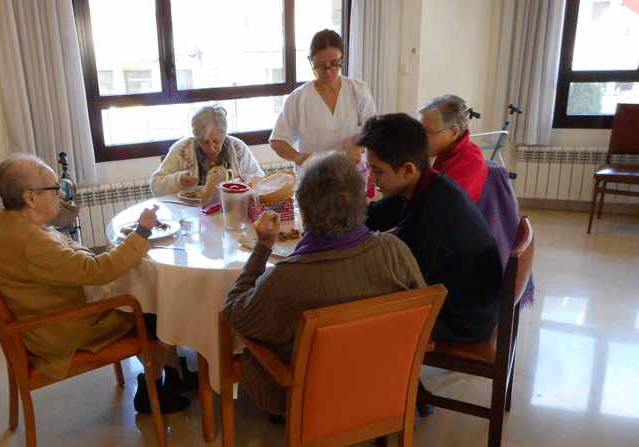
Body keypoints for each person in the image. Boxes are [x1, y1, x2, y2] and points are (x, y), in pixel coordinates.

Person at [0, 153, 190, 414]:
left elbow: (68, 247)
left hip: (46, 313)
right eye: (54, 188)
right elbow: (98, 271)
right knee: (154, 310)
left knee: (140, 291)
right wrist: (142, 232)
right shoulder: (32, 243)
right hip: (61, 329)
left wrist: (87, 258)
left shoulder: (4, 224)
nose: (61, 194)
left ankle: (177, 374)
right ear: (30, 198)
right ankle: (151, 392)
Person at [223, 152, 426, 418]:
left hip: (308, 397)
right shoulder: (395, 252)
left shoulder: (286, 278)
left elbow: (235, 314)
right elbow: (419, 314)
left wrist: (262, 248)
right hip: (382, 383)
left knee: (253, 350)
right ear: (363, 202)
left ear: (303, 214)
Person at [357, 113, 503, 343]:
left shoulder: (430, 213)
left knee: (357, 314)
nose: (371, 179)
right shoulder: (422, 183)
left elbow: (396, 279)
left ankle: (399, 378)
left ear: (407, 169)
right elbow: (375, 215)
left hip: (462, 319)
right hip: (469, 304)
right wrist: (337, 221)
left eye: (378, 170)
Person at [269, 29, 377, 193]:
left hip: (351, 178)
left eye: (334, 63)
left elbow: (374, 128)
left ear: (343, 57)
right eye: (320, 65)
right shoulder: (299, 98)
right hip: (313, 180)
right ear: (310, 60)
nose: (328, 71)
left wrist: (358, 146)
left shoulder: (358, 90)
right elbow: (277, 141)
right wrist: (298, 157)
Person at [150, 105, 264, 197]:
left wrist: (242, 180)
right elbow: (156, 187)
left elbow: (261, 180)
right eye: (204, 141)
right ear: (196, 136)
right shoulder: (181, 150)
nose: (211, 148)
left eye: (216, 140)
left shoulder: (238, 149)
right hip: (192, 216)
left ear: (224, 134)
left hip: (230, 213)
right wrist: (178, 180)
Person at [417, 94, 487, 202]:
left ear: (453, 133)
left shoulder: (471, 162)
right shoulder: (439, 151)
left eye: (427, 132)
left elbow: (436, 204)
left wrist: (427, 162)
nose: (421, 138)